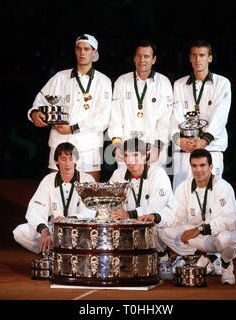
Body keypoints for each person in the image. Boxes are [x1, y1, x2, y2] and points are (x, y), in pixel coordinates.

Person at [27, 34, 112, 182]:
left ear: (94, 53)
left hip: (88, 147)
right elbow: (39, 102)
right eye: (79, 49)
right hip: (59, 143)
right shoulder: (60, 77)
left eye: (86, 49)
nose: (82, 53)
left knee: (88, 197)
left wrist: (73, 128)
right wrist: (34, 114)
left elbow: (103, 119)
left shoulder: (103, 81)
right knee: (57, 194)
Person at [160, 149, 236, 285]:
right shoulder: (184, 187)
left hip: (227, 234)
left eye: (202, 165)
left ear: (211, 167)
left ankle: (226, 264)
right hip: (202, 238)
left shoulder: (224, 187)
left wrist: (200, 229)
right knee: (164, 230)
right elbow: (175, 216)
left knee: (225, 238)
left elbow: (228, 221)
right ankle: (204, 258)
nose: (198, 170)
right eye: (194, 166)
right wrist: (157, 217)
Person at [171, 40, 232, 191]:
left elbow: (221, 116)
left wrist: (205, 140)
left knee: (212, 196)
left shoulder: (222, 83)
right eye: (195, 55)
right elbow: (174, 116)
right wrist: (179, 140)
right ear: (190, 58)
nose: (198, 59)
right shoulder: (179, 84)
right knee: (181, 196)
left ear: (210, 58)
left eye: (202, 55)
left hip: (212, 148)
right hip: (185, 150)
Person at [13, 142, 95, 254]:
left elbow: (90, 211)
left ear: (76, 160)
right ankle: (51, 254)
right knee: (20, 232)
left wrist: (69, 219)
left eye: (71, 159)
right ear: (56, 161)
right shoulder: (49, 180)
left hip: (78, 230)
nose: (67, 164)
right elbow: (35, 209)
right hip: (54, 230)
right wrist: (44, 230)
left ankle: (67, 254)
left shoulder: (87, 179)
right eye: (63, 159)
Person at [108, 40, 173, 168]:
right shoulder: (122, 81)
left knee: (153, 186)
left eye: (146, 56)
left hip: (153, 148)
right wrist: (116, 144)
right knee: (127, 187)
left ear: (154, 59)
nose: (142, 60)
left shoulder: (163, 83)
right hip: (126, 150)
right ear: (134, 58)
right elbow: (115, 117)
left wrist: (158, 148)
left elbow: (165, 120)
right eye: (139, 55)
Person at [108, 138, 174, 252]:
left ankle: (164, 255)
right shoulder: (118, 174)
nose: (130, 161)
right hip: (127, 225)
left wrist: (129, 215)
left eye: (135, 155)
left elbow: (156, 207)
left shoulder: (158, 174)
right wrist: (116, 210)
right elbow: (110, 203)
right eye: (126, 155)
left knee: (162, 225)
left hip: (156, 226)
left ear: (145, 156)